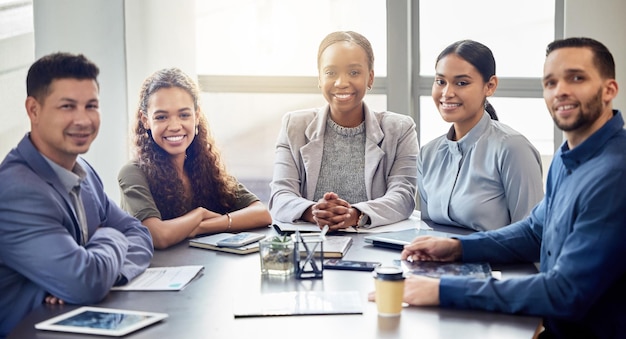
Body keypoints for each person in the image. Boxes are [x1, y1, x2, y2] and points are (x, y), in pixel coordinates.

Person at [381, 37, 626, 338]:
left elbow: (567, 291)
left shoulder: (616, 173)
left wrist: (444, 290)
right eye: (550, 82)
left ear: (609, 90)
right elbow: (535, 231)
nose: (561, 90)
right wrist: (457, 248)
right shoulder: (568, 157)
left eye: (576, 78)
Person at [0, 52, 154, 337]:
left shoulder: (82, 170)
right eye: (68, 106)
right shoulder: (16, 190)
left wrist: (105, 273)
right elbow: (85, 282)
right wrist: (108, 237)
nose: (83, 119)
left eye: (91, 105)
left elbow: (139, 234)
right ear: (33, 110)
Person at [268, 31, 418, 231]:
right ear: (320, 78)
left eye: (354, 72)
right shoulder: (294, 125)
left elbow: (403, 197)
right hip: (312, 247)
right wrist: (314, 212)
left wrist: (354, 215)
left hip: (374, 248)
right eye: (330, 73)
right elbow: (280, 195)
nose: (341, 82)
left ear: (370, 78)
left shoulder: (399, 129)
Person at [118, 68, 272, 249]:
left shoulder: (203, 166)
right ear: (146, 120)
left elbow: (261, 213)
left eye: (184, 115)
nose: (175, 126)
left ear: (196, 116)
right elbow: (158, 236)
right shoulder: (134, 173)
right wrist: (199, 215)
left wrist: (203, 226)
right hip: (160, 273)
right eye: (161, 117)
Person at [419, 40, 544, 231]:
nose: (447, 93)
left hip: (496, 261)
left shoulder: (513, 149)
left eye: (461, 83)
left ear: (490, 86)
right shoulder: (428, 154)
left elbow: (532, 235)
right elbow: (427, 230)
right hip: (437, 261)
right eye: (440, 81)